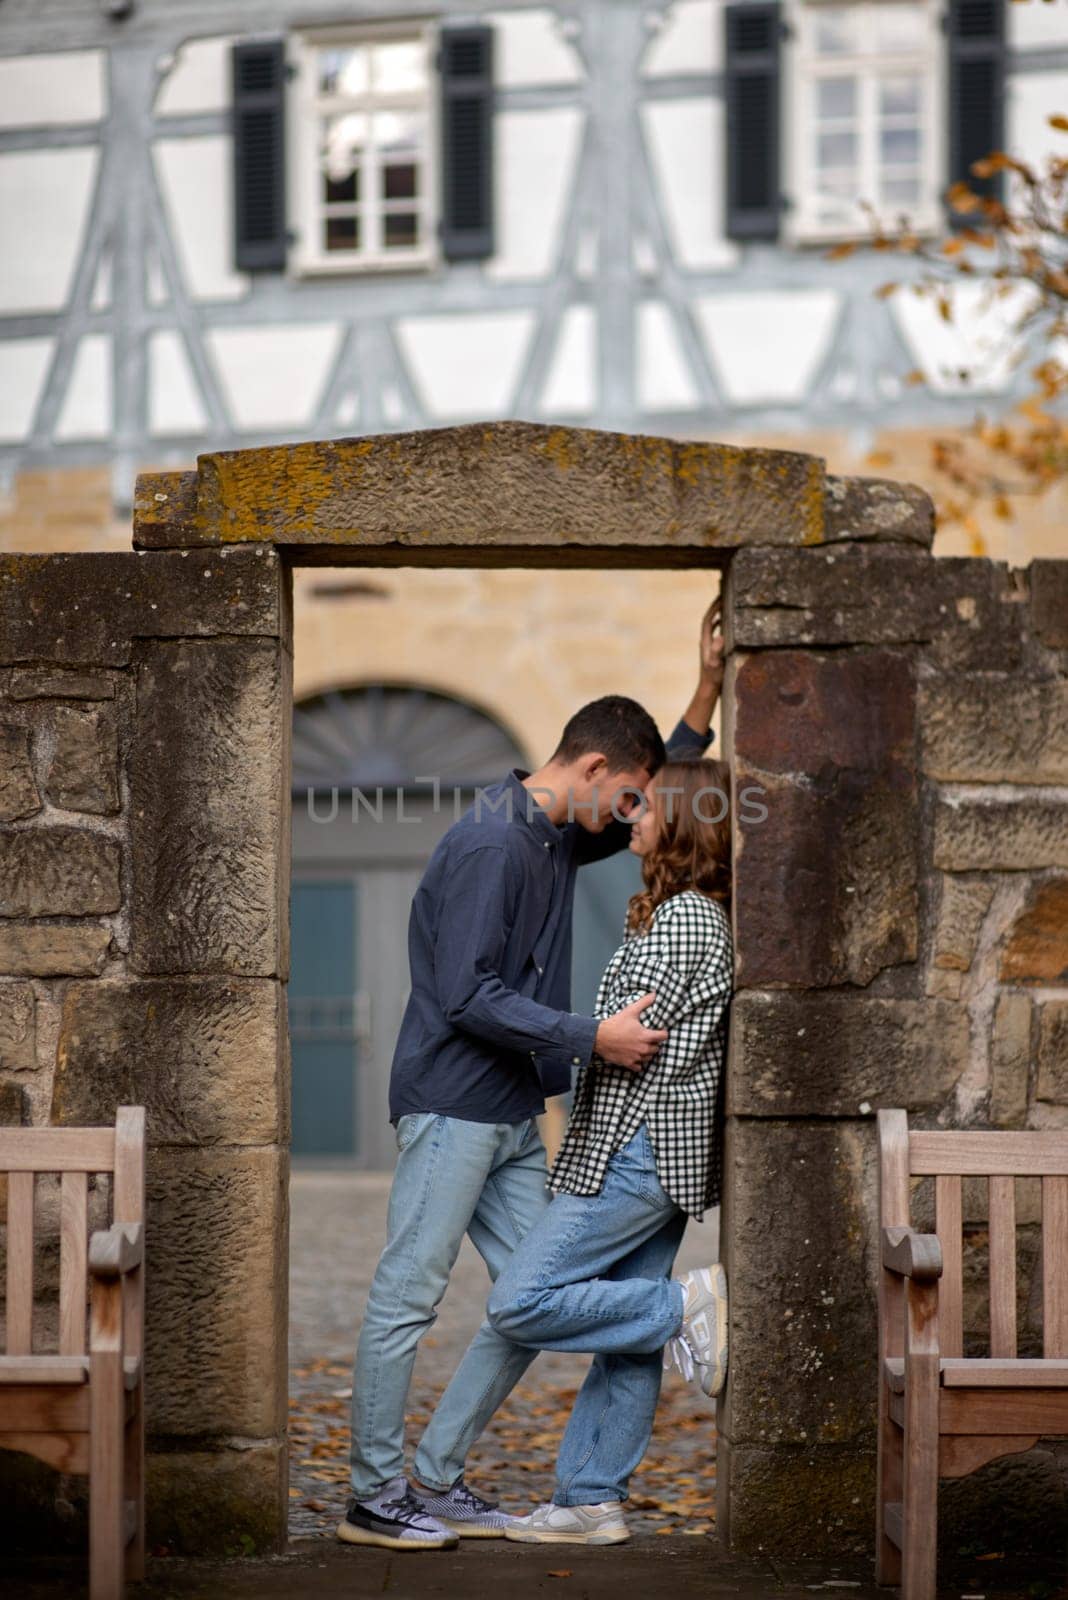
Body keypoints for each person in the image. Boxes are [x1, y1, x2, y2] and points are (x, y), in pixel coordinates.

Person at [336, 599, 724, 1552]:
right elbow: (466, 995)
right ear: (592, 772)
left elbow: (669, 787)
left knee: (525, 1307)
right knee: (407, 1299)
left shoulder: (555, 833)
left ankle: (436, 1477)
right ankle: (375, 1496)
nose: (634, 817)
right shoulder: (489, 843)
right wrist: (591, 1036)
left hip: (514, 1110)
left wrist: (707, 689)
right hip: (453, 1107)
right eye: (628, 798)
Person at [479, 753, 734, 1546]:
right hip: (653, 1150)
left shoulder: (687, 919)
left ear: (684, 823)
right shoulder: (682, 913)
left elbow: (626, 1034)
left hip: (637, 1149)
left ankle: (685, 1306)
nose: (633, 817)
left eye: (650, 807)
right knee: (626, 1350)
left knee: (518, 1300)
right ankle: (591, 1500)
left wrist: (573, 1035)